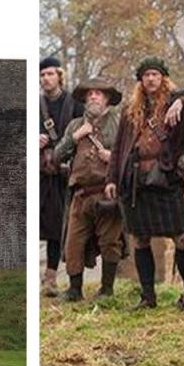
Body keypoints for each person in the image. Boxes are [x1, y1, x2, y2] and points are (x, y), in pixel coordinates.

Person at [104, 57, 184, 309]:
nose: (151, 79)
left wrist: (182, 101)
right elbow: (119, 149)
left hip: (167, 179)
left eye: (156, 74)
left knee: (182, 237)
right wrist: (112, 178)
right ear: (141, 80)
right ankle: (148, 296)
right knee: (140, 239)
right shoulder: (132, 110)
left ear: (163, 79)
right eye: (146, 75)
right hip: (135, 181)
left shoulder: (176, 103)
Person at [52, 77, 123, 301]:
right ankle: (74, 290)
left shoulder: (119, 123)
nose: (93, 96)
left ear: (107, 99)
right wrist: (75, 137)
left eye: (99, 93)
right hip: (80, 194)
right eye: (90, 93)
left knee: (110, 242)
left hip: (107, 192)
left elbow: (130, 156)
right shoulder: (75, 125)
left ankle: (107, 290)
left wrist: (111, 158)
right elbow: (56, 156)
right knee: (73, 243)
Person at [40, 56, 84, 297]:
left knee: (58, 228)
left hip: (65, 174)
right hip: (40, 173)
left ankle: (50, 278)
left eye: (49, 74)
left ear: (59, 75)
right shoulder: (36, 105)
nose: (46, 79)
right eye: (42, 75)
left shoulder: (74, 104)